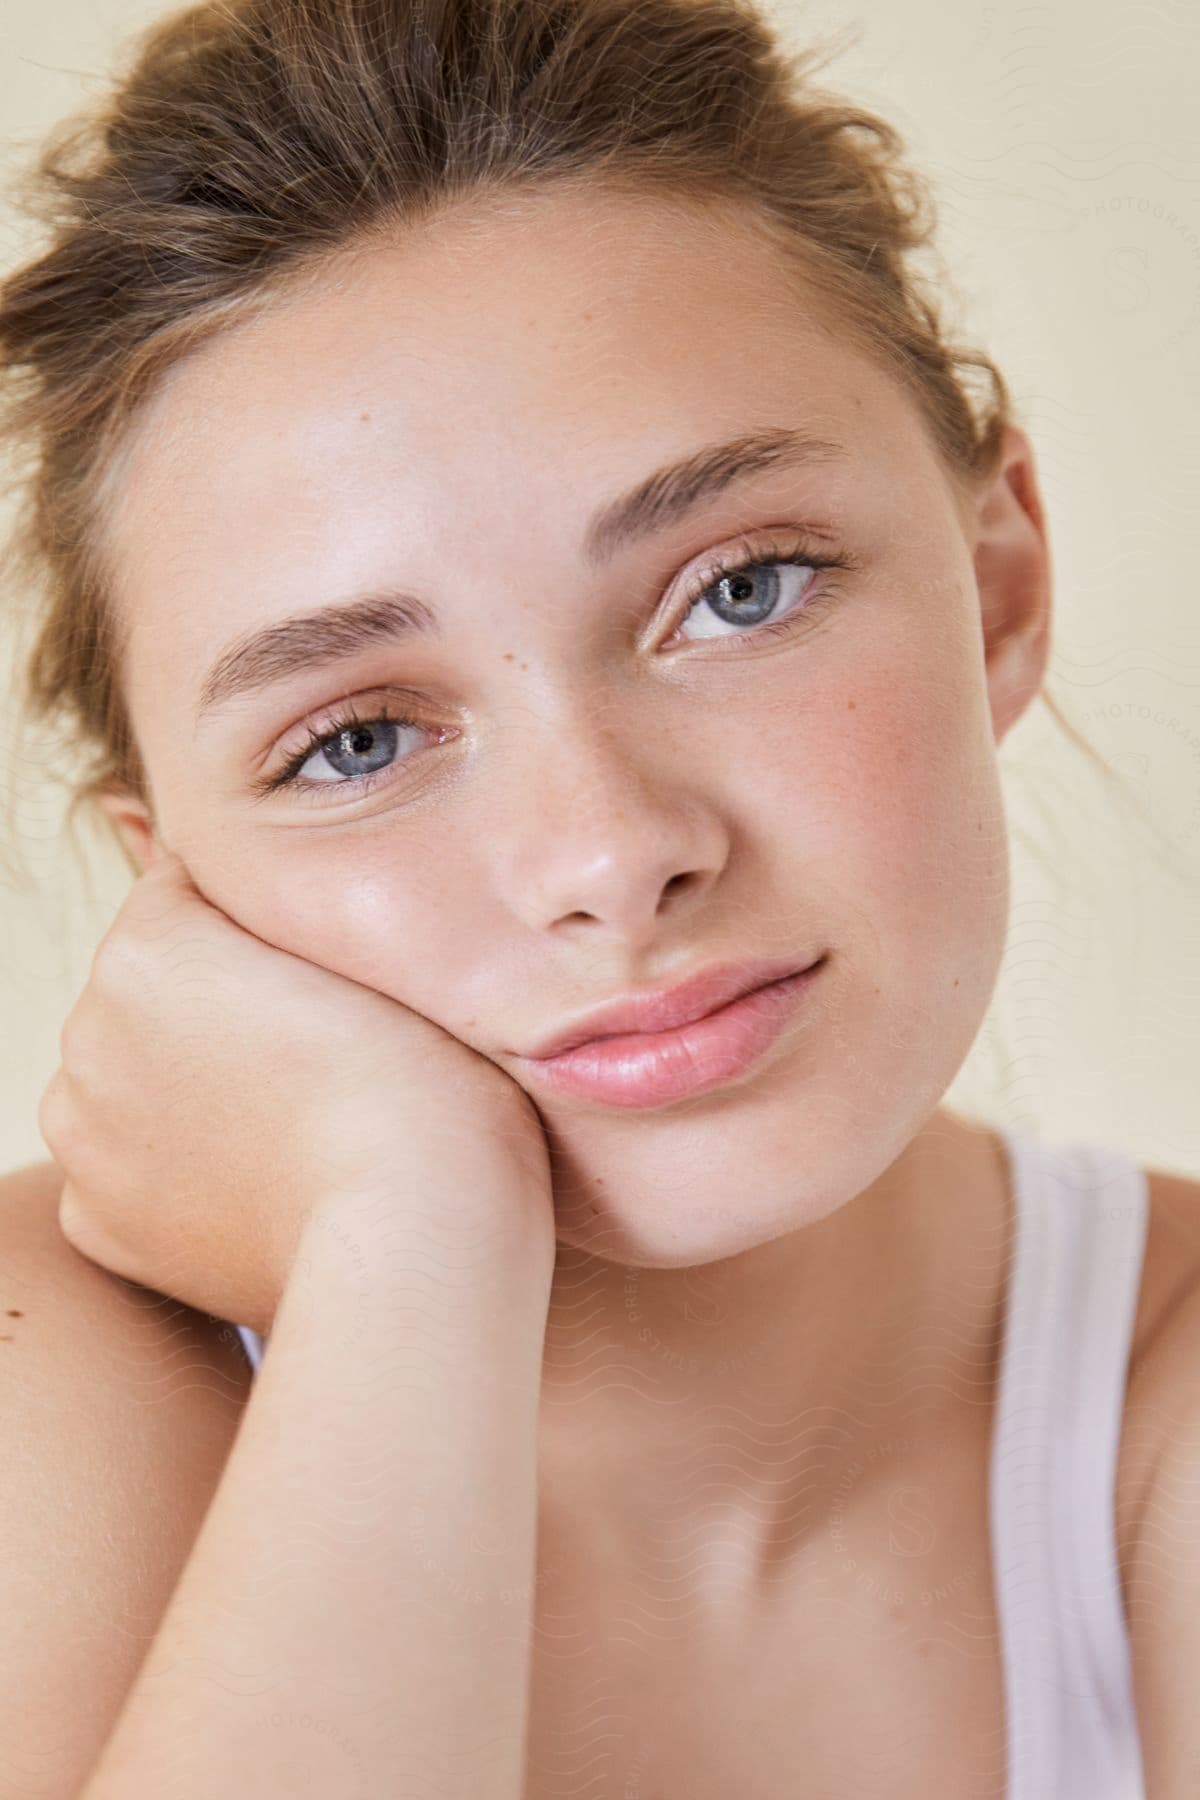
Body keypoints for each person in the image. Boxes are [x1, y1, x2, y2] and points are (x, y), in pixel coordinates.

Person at [0, 0, 1197, 1795]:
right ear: (174, 889)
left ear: (999, 584)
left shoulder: (1156, 1396)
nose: (610, 854)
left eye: (741, 590)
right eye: (355, 743)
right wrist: (405, 1249)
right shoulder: (52, 1402)